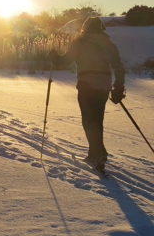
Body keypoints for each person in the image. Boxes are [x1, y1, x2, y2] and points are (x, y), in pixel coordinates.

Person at [48, 16, 125, 172]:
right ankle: (93, 153)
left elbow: (65, 61)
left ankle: (99, 153)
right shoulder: (109, 44)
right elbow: (119, 67)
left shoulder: (80, 42)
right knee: (97, 119)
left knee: (88, 120)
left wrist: (54, 57)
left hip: (86, 85)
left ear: (85, 28)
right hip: (104, 86)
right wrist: (118, 87)